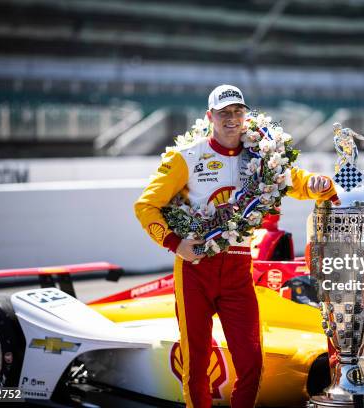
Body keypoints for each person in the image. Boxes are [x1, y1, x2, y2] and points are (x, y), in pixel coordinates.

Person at [134, 84, 339, 408]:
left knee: (251, 362)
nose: (231, 118)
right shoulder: (185, 157)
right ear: (209, 116)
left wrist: (319, 184)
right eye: (223, 112)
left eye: (237, 111)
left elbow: (296, 181)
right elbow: (146, 206)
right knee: (197, 363)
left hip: (239, 270)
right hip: (195, 269)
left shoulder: (263, 156)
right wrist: (175, 243)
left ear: (246, 115)